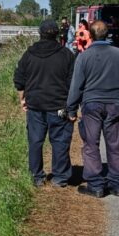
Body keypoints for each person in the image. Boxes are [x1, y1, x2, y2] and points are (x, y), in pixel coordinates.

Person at [67, 20, 119, 197]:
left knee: (91, 144)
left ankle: (95, 185)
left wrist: (71, 108)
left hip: (92, 104)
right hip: (115, 103)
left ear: (91, 34)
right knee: (115, 145)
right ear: (107, 34)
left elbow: (76, 85)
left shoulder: (84, 57)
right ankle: (118, 184)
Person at [14, 19, 75, 187]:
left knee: (35, 141)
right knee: (60, 141)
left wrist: (22, 99)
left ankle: (37, 176)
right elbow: (73, 83)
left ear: (39, 34)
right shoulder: (66, 55)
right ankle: (60, 177)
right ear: (57, 34)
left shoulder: (29, 54)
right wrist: (72, 107)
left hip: (35, 105)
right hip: (59, 106)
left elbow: (19, 79)